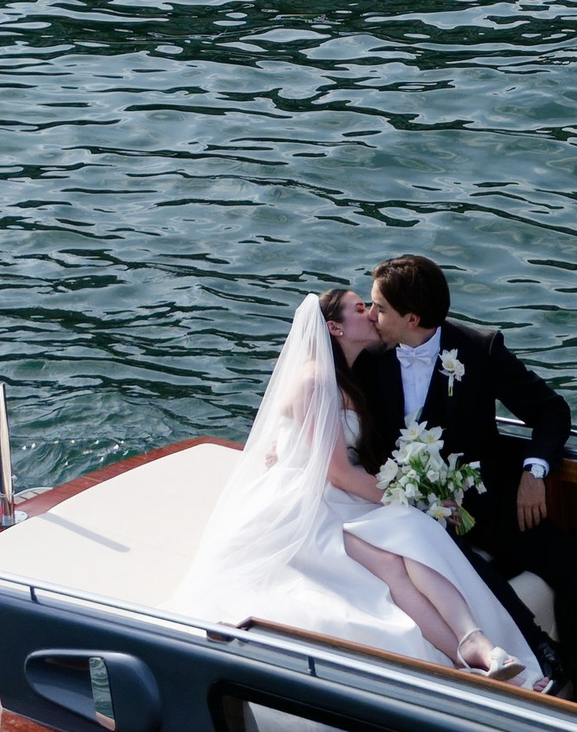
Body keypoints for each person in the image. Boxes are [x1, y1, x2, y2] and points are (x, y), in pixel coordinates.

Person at [173, 292, 543, 686]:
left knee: (407, 541)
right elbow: (338, 473)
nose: (370, 314)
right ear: (334, 327)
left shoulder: (350, 373)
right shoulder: (315, 380)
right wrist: (414, 500)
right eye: (359, 308)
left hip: (340, 498)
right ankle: (468, 653)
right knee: (398, 550)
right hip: (310, 505)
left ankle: (477, 646)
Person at [352, 253, 577, 703]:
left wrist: (534, 471)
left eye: (379, 308)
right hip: (402, 511)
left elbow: (550, 410)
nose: (371, 316)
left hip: (483, 503)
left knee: (575, 565)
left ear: (411, 318)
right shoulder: (366, 358)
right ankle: (526, 661)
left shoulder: (479, 350)